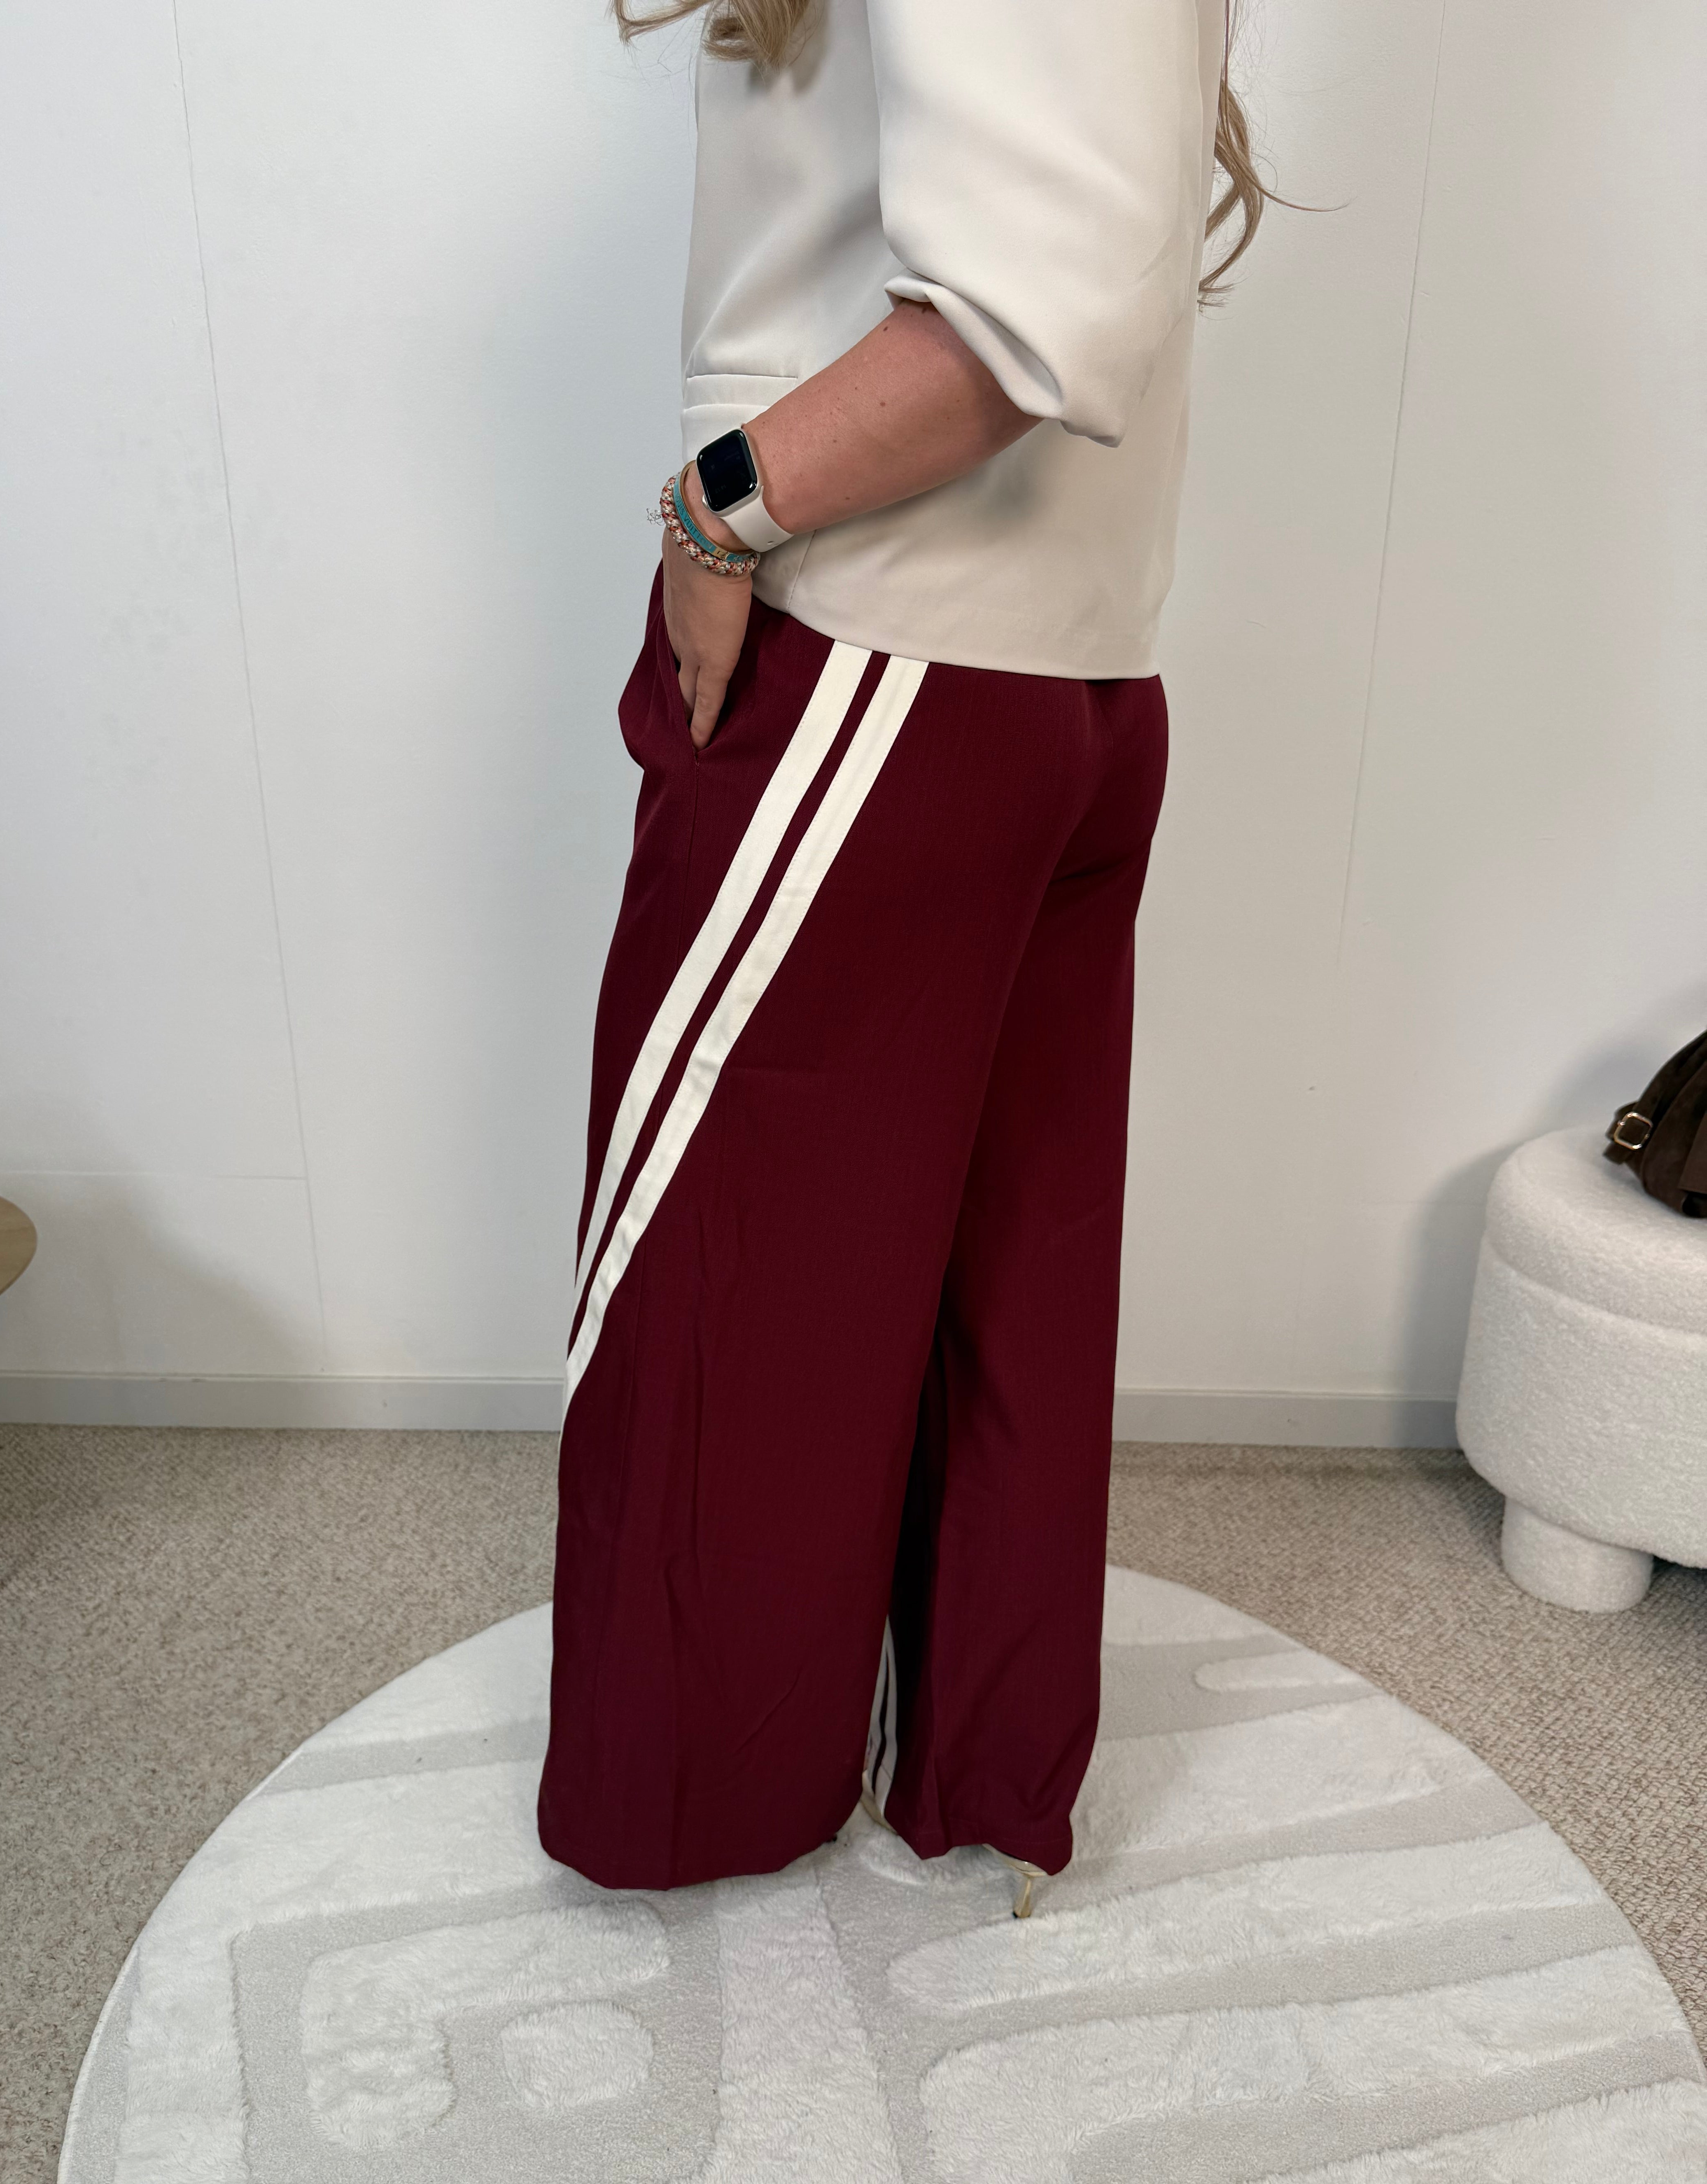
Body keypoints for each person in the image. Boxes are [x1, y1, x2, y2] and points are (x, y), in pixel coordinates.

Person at [536, 0, 1268, 1912]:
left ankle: (694, 1806)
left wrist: (713, 512)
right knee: (1005, 1269)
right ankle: (980, 1774)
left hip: (879, 650)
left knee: (715, 1280)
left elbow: (1023, 314)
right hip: (1065, 672)